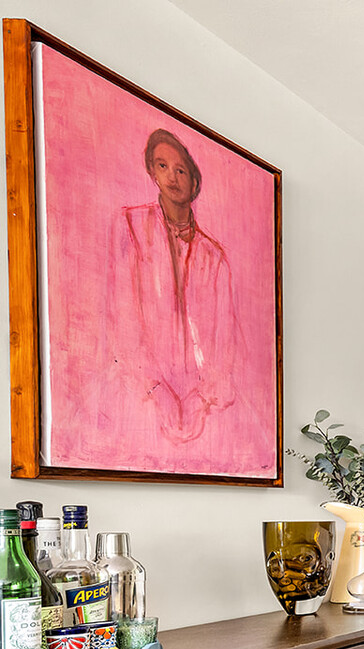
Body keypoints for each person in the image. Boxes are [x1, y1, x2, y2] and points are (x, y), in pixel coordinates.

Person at [104, 128, 242, 446]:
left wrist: (201, 399)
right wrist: (155, 390)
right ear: (152, 171)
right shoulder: (130, 226)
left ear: (194, 182)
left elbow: (223, 341)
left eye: (180, 170)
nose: (171, 176)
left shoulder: (214, 256)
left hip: (203, 402)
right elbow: (123, 317)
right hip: (138, 392)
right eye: (162, 166)